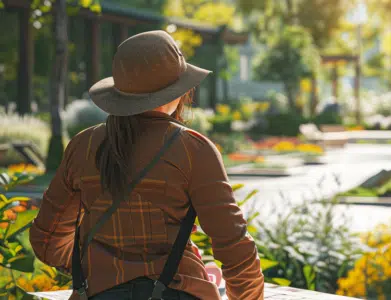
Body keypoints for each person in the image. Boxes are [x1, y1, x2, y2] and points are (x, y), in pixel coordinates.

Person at [29, 30, 264, 300]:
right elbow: (235, 248)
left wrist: (97, 268)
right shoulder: (193, 150)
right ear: (176, 91)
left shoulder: (83, 146)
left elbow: (46, 241)